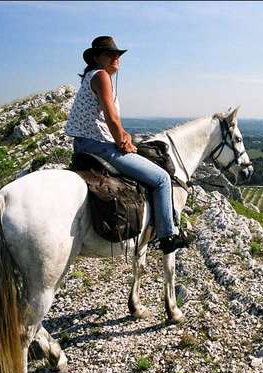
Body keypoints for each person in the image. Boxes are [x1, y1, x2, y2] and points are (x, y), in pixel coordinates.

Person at [65, 36, 188, 254]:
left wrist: (124, 135)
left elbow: (107, 121)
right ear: (96, 58)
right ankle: (167, 236)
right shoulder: (102, 76)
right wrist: (123, 142)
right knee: (162, 179)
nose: (116, 58)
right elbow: (111, 119)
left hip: (85, 144)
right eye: (109, 54)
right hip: (98, 146)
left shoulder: (90, 78)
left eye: (117, 55)